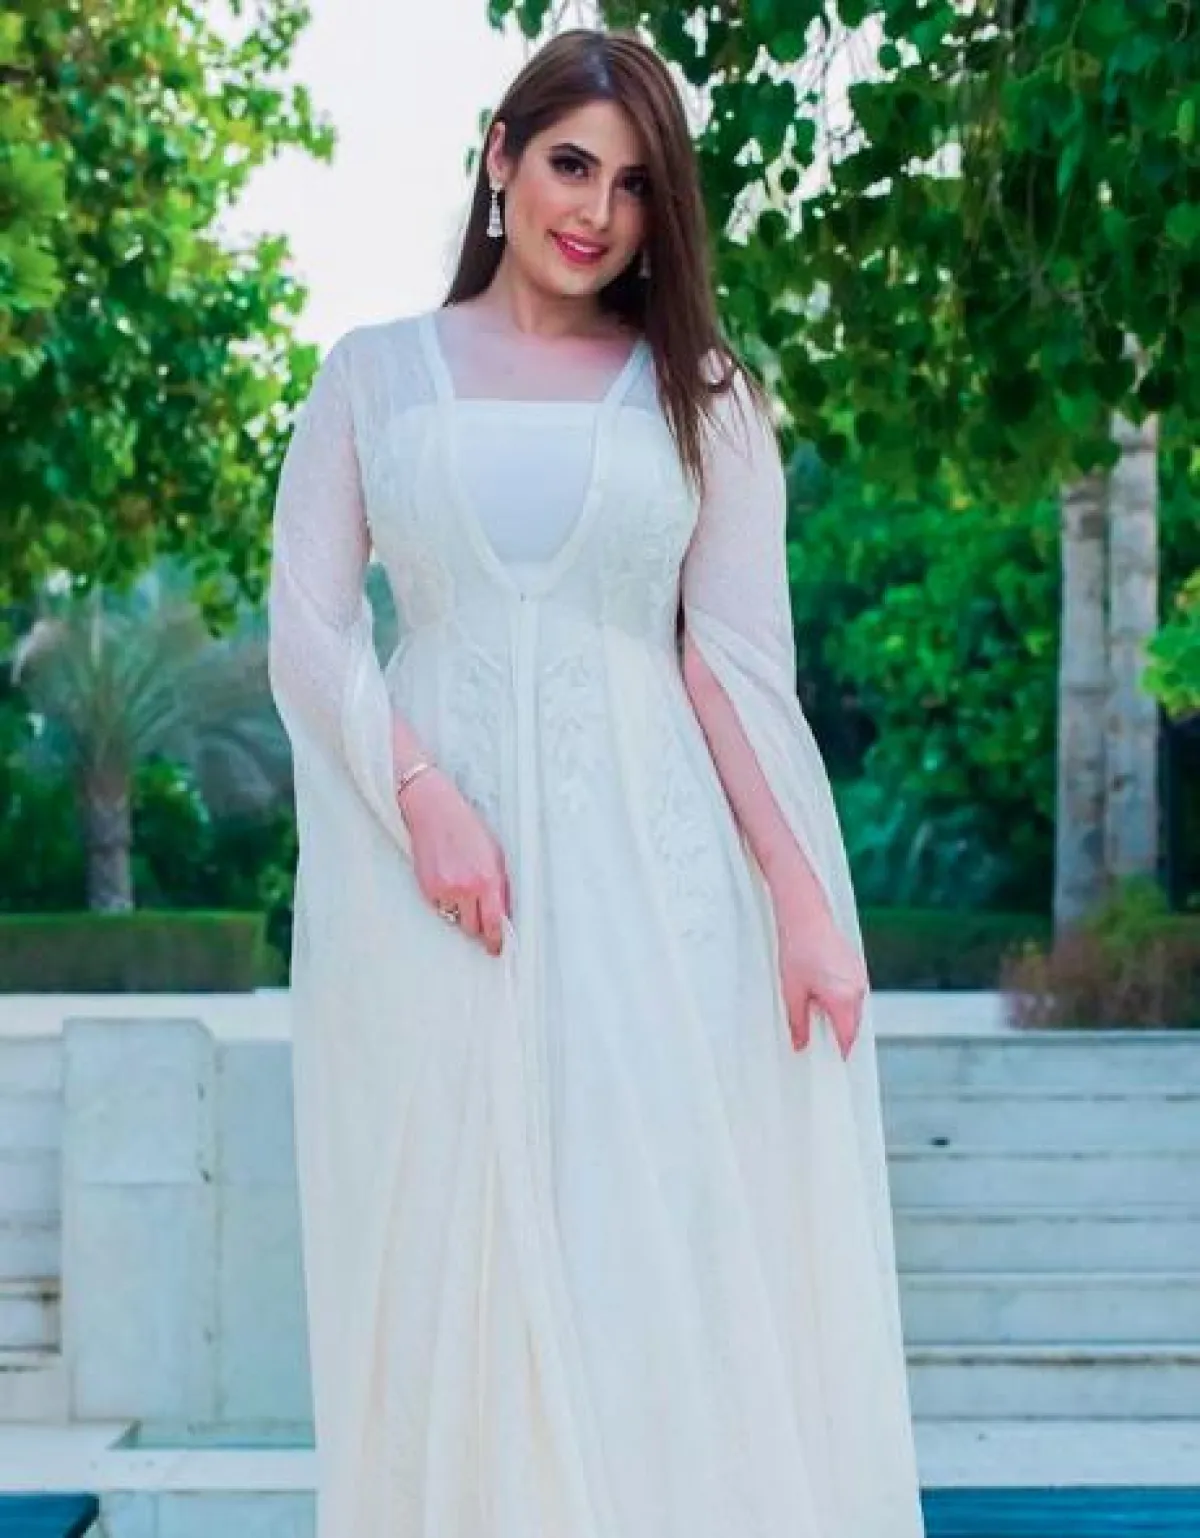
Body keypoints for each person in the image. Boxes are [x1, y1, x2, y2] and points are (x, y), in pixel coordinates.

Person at [266, 25, 926, 1538]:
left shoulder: (704, 392)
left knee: (645, 1252)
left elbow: (733, 667)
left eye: (635, 186)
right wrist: (420, 800)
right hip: (429, 892)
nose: (597, 212)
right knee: (452, 1248)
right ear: (500, 159)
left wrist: (806, 906)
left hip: (656, 883)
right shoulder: (372, 375)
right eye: (571, 165)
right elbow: (308, 631)